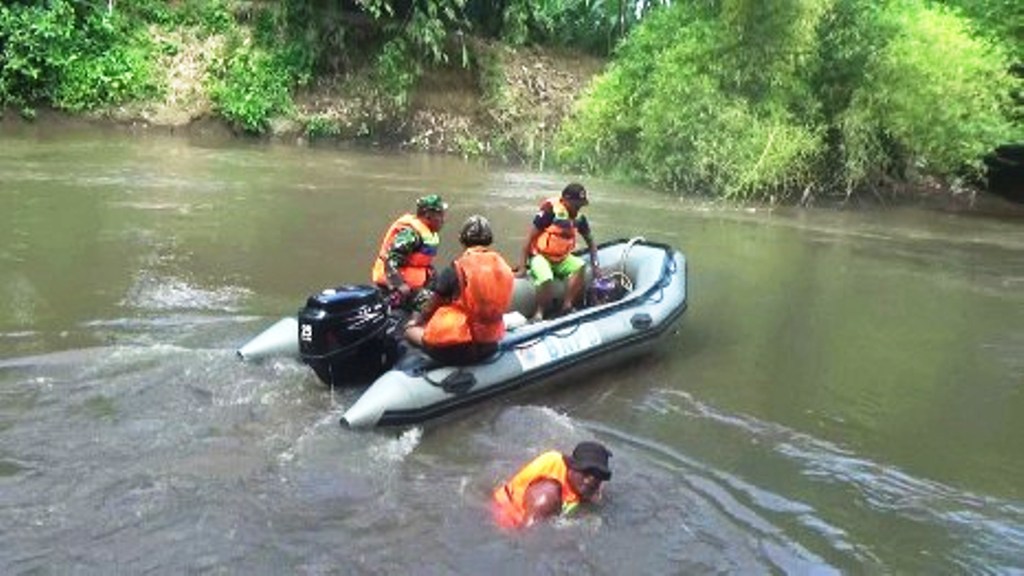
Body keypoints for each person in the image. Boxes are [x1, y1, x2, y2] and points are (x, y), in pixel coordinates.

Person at [405, 215, 515, 366]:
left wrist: (417, 320)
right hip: (490, 343)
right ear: (489, 240)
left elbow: (431, 306)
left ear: (462, 240)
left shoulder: (456, 268)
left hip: (458, 348)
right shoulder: (503, 267)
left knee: (410, 330)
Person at [519, 182, 599, 320]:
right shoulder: (550, 211)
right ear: (564, 200)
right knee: (546, 276)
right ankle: (539, 312)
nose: (578, 208)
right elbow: (528, 239)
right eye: (575, 204)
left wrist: (596, 267)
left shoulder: (579, 219)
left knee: (580, 265)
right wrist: (522, 268)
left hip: (561, 258)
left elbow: (591, 242)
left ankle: (567, 305)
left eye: (580, 205)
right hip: (540, 256)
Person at [492, 441, 612, 529]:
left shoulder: (589, 486)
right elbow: (527, 537)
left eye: (599, 476)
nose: (590, 481)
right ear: (571, 467)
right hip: (508, 523)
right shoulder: (546, 496)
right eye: (585, 473)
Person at [371, 194, 447, 312]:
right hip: (395, 285)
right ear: (428, 215)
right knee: (434, 305)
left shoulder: (427, 233)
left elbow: (418, 260)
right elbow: (390, 261)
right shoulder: (410, 235)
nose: (443, 219)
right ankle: (414, 326)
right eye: (440, 215)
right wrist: (400, 285)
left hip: (414, 283)